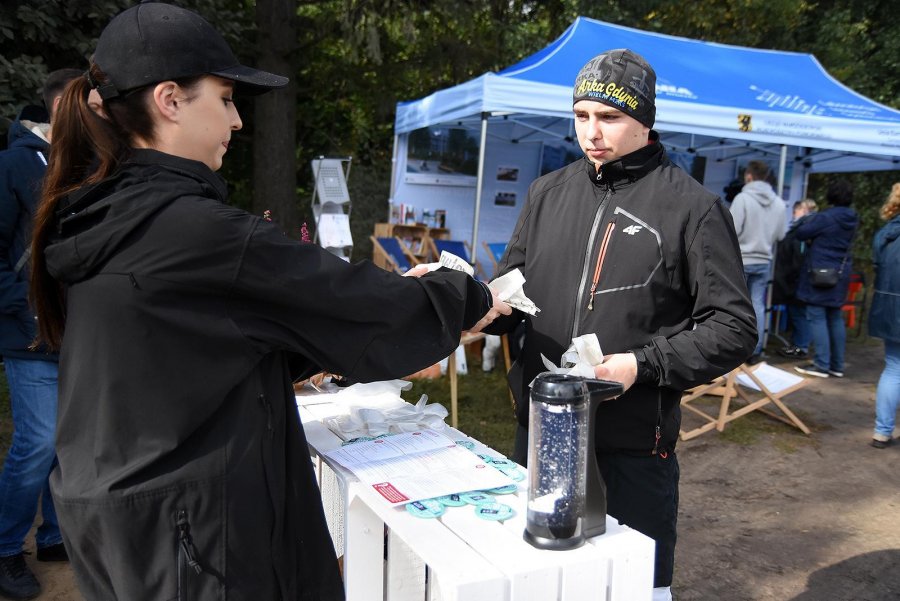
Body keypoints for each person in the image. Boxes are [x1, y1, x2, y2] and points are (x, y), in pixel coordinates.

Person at [28, 3, 509, 600]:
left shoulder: (102, 213)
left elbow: (186, 352)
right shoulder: (190, 230)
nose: (236, 121)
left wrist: (316, 359)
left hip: (117, 511)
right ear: (170, 99)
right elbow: (357, 304)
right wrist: (463, 294)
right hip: (187, 531)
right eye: (226, 98)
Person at [484, 49, 755, 601]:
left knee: (631, 588)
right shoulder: (547, 192)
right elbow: (514, 284)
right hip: (540, 429)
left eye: (609, 118)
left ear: (645, 121)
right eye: (581, 115)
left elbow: (733, 327)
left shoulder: (693, 208)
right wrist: (482, 305)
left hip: (633, 441)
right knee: (538, 579)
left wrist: (643, 364)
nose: (592, 133)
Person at [0, 67, 82, 600]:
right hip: (28, 335)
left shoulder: (86, 165)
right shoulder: (11, 165)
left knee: (67, 444)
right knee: (38, 442)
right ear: (62, 108)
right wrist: (25, 307)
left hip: (79, 335)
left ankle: (54, 537)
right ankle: (6, 549)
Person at [793, 180, 858, 378]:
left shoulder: (825, 217)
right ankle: (836, 365)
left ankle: (821, 364)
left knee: (816, 315)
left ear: (831, 196)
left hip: (819, 272)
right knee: (835, 316)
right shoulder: (853, 218)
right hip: (840, 271)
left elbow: (801, 233)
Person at [730, 160, 787, 364]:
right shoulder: (779, 203)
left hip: (742, 258)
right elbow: (781, 235)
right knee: (758, 305)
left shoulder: (743, 199)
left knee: (735, 304)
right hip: (764, 260)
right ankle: (756, 349)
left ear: (749, 176)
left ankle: (734, 347)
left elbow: (731, 230)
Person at [869, 183, 900, 448]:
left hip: (890, 309)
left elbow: (878, 267)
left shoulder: (885, 234)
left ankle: (882, 431)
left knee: (893, 367)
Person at [774, 199, 817, 358]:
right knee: (801, 312)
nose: (794, 214)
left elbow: (798, 258)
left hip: (797, 278)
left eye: (796, 210)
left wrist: (790, 276)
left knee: (798, 312)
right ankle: (801, 344)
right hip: (801, 277)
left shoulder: (802, 231)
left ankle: (801, 346)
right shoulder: (811, 229)